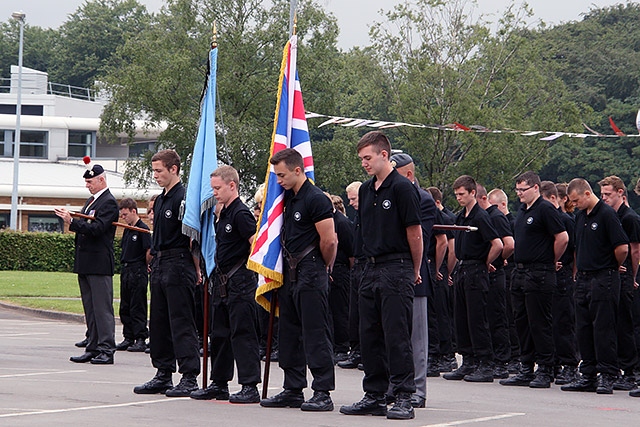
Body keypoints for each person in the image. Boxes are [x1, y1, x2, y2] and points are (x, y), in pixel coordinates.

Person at [340, 131, 422, 420]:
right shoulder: (365, 190)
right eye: (362, 158)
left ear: (384, 155)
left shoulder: (402, 188)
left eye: (368, 157)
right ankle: (374, 394)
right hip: (369, 267)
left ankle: (403, 396)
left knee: (396, 333)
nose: (364, 163)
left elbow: (414, 232)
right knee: (369, 334)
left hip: (396, 265)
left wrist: (413, 269)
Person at [260, 148, 337, 412]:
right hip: (289, 275)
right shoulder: (288, 199)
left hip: (311, 270)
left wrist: (323, 266)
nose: (278, 180)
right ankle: (293, 388)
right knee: (289, 334)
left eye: (281, 175)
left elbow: (329, 240)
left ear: (297, 170)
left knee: (315, 333)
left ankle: (322, 391)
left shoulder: (316, 198)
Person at [133, 149, 201, 397]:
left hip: (178, 262)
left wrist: (196, 269)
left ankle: (189, 376)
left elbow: (194, 237)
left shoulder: (184, 198)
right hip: (161, 263)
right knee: (159, 323)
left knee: (181, 321)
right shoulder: (161, 199)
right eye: (153, 171)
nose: (155, 175)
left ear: (174, 169)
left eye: (159, 170)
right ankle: (163, 372)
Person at [191, 165, 262, 403]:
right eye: (213, 188)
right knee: (219, 334)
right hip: (222, 283)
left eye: (218, 188)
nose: (215, 193)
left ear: (232, 185)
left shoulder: (240, 213)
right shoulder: (224, 213)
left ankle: (249, 385)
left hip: (240, 281)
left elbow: (255, 244)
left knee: (242, 334)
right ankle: (219, 382)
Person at [499, 171, 567, 389]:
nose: (519, 194)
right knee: (522, 322)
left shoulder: (545, 209)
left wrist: (550, 259)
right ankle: (526, 366)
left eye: (523, 190)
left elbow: (562, 238)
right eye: (517, 190)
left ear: (535, 188)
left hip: (539, 272)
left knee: (540, 322)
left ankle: (546, 368)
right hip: (520, 272)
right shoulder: (523, 210)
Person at [561, 178, 628, 394]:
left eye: (576, 200)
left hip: (603, 276)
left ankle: (608, 374)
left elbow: (623, 248)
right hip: (583, 277)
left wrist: (611, 266)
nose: (574, 204)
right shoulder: (580, 216)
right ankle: (588, 373)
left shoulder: (607, 214)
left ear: (587, 194)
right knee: (583, 328)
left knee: (603, 328)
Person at [55, 163, 119, 365]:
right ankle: (93, 346)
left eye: (90, 182)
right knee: (90, 308)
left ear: (102, 180)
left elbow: (98, 228)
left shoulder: (108, 203)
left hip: (99, 263)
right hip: (87, 262)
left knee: (102, 309)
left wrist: (72, 222)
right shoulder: (92, 202)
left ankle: (106, 349)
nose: (87, 186)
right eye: (86, 182)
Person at [443, 175, 502, 383]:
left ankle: (485, 363)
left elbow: (497, 244)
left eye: (462, 194)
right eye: (456, 194)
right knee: (461, 319)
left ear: (472, 193)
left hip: (476, 269)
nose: (458, 197)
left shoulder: (480, 217)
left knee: (477, 320)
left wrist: (486, 262)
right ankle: (468, 360)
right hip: (462, 269)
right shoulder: (461, 217)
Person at [390, 152, 436, 409]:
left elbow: (420, 238)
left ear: (408, 175)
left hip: (413, 273)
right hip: (389, 275)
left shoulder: (423, 199)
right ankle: (395, 386)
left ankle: (418, 389)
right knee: (394, 336)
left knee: (416, 339)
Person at [598, 175, 640, 391]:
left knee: (626, 324)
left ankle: (630, 370)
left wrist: (632, 276)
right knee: (611, 323)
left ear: (621, 193)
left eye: (608, 194)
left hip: (625, 276)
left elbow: (634, 250)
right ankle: (617, 368)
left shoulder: (629, 218)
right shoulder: (607, 215)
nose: (604, 198)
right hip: (612, 273)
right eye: (602, 194)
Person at [538, 181, 579, 385]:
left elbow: (574, 251)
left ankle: (570, 365)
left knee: (564, 322)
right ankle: (552, 362)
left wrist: (572, 274)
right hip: (548, 273)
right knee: (549, 321)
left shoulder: (565, 220)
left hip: (563, 273)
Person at [476, 184, 514, 379]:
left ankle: (502, 361)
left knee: (497, 317)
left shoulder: (495, 216)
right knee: (488, 317)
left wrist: (498, 259)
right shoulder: (486, 216)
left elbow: (508, 244)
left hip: (495, 272)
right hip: (488, 272)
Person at [488, 188, 522, 374]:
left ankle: (515, 356)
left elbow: (512, 245)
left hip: (510, 270)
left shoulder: (512, 223)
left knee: (510, 315)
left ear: (502, 204)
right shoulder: (494, 220)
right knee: (500, 313)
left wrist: (502, 257)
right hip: (501, 269)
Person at [116, 198, 151, 353]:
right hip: (126, 269)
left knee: (138, 305)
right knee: (125, 305)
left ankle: (141, 337)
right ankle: (128, 336)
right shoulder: (128, 229)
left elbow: (148, 251)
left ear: (133, 211)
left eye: (125, 214)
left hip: (138, 269)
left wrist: (144, 265)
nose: (123, 218)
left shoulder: (142, 229)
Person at [325, 192, 354, 364]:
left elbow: (351, 253)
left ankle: (342, 347)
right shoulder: (326, 220)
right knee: (329, 310)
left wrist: (345, 273)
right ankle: (334, 345)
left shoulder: (342, 223)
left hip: (341, 269)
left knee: (340, 310)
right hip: (329, 270)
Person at [338, 181, 364, 370]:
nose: (351, 203)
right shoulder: (358, 218)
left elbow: (351, 253)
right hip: (357, 271)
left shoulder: (347, 222)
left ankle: (362, 351)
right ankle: (356, 350)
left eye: (353, 199)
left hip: (364, 267)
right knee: (354, 313)